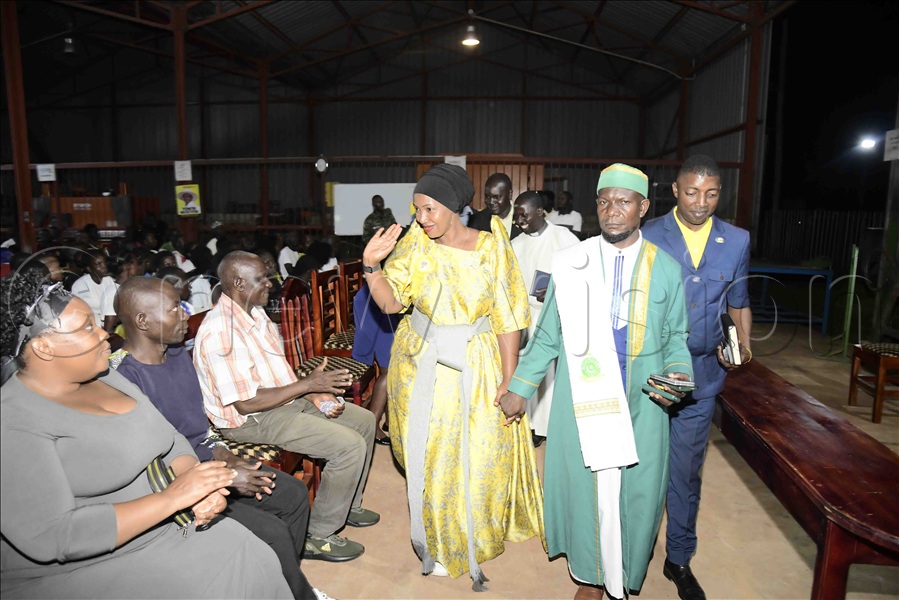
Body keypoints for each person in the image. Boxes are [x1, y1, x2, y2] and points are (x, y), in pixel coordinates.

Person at [0, 272, 292, 600]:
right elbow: (56, 536)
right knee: (222, 577)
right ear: (43, 347)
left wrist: (194, 482)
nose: (104, 333)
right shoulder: (12, 420)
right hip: (89, 563)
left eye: (96, 322)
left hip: (159, 522)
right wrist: (173, 498)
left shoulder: (107, 376)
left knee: (255, 554)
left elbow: (169, 437)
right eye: (86, 328)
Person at [499, 163, 693, 600]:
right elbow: (548, 334)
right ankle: (589, 575)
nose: (612, 211)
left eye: (623, 202)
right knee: (586, 487)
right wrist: (520, 387)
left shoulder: (665, 268)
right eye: (604, 202)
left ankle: (621, 573)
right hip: (581, 396)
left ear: (643, 207)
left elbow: (677, 336)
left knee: (635, 490)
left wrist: (680, 372)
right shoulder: (573, 263)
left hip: (643, 400)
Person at [362, 163, 543, 590]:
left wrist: (511, 378)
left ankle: (466, 535)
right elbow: (390, 305)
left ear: (454, 208)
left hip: (476, 365)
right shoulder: (415, 245)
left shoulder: (491, 246)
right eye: (417, 209)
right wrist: (372, 267)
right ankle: (439, 538)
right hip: (420, 361)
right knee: (429, 454)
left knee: (474, 455)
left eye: (429, 209)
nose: (422, 218)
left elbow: (508, 316)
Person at [110, 277, 331, 600]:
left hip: (211, 462)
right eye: (174, 308)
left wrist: (226, 454)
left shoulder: (176, 357)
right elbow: (150, 464)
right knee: (273, 532)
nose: (185, 314)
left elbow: (200, 427)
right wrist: (222, 476)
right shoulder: (124, 380)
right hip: (178, 486)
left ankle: (278, 581)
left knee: (293, 495)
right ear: (143, 321)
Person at [192, 251, 379, 563]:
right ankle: (318, 535)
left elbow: (278, 374)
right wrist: (307, 386)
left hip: (279, 404)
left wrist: (311, 396)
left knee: (364, 421)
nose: (270, 283)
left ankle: (347, 504)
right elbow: (245, 402)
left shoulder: (254, 312)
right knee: (347, 446)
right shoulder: (219, 332)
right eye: (261, 278)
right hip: (249, 420)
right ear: (238, 283)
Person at [641, 154, 752, 600]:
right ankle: (632, 549)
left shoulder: (737, 240)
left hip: (703, 376)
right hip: (654, 373)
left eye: (710, 194)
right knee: (641, 466)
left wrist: (743, 344)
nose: (701, 202)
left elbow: (739, 299)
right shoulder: (648, 235)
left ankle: (679, 559)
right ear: (674, 191)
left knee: (686, 472)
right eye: (691, 192)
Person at [509, 191, 579, 447]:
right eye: (516, 214)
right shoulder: (516, 245)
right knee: (528, 370)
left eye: (523, 213)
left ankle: (547, 426)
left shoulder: (563, 237)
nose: (518, 219)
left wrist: (555, 288)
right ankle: (529, 424)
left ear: (539, 212)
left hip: (555, 315)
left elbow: (582, 273)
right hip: (526, 316)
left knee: (549, 376)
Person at [351, 280, 402, 445]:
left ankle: (389, 420)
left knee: (394, 363)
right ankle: (372, 426)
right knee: (390, 370)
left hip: (377, 302)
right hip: (375, 306)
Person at [71, 248, 117, 327]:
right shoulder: (80, 285)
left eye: (104, 262)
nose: (104, 266)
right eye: (99, 264)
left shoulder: (109, 280)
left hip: (110, 325)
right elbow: (78, 312)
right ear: (89, 268)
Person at [469, 172, 522, 240]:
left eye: (496, 197)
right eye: (487, 197)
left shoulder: (523, 218)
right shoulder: (477, 220)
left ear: (510, 194)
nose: (491, 202)